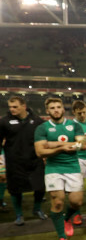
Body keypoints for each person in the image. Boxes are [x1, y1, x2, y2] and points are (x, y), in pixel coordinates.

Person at [34, 97, 86, 240]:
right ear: (47, 111)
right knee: (57, 202)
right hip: (53, 168)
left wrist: (53, 144)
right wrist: (63, 147)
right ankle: (62, 237)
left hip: (72, 167)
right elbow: (40, 151)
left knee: (76, 203)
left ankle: (66, 219)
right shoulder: (42, 128)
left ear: (64, 109)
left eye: (58, 107)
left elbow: (83, 145)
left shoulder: (74, 125)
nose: (56, 110)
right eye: (52, 108)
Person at [0, 95, 47, 225]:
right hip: (14, 162)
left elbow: (46, 137)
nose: (12, 109)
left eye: (15, 107)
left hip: (35, 160)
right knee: (16, 190)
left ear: (23, 106)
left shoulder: (37, 120)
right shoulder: (4, 122)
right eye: (10, 107)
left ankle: (37, 209)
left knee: (40, 187)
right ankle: (19, 215)